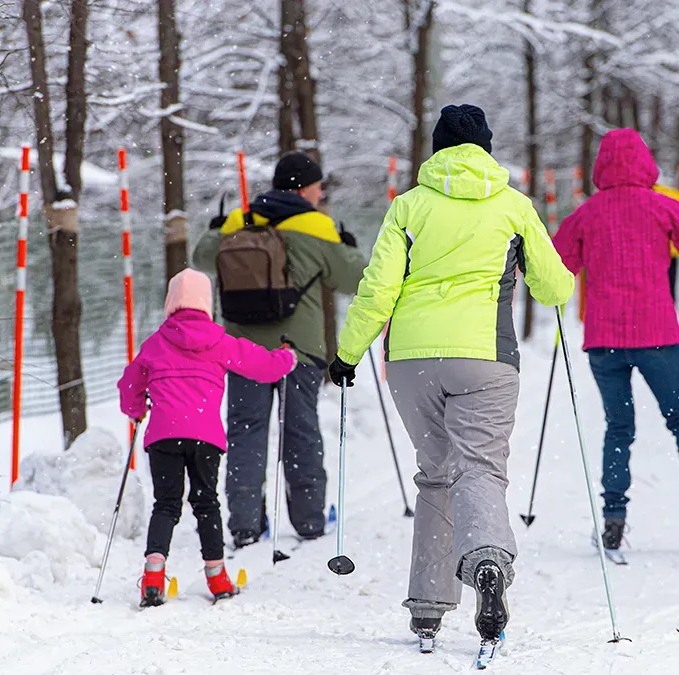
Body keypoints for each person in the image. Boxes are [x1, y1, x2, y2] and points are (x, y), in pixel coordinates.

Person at [328, 104, 575, 646]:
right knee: (481, 470)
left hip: (412, 360)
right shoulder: (515, 206)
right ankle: (487, 560)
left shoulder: (408, 207)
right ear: (486, 147)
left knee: (436, 471)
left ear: (437, 148)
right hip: (486, 357)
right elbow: (556, 288)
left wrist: (348, 354)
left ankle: (428, 606)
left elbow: (377, 289)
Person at [553, 128, 679, 557]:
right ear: (645, 162)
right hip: (656, 336)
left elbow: (556, 266)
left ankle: (613, 521)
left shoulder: (586, 214)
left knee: (619, 428)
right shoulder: (662, 206)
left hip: (604, 339)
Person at [192, 152, 366, 548]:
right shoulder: (317, 228)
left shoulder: (241, 221)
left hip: (241, 350)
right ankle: (309, 521)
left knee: (245, 434)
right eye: (319, 187)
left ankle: (245, 525)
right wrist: (348, 246)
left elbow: (201, 258)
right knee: (301, 433)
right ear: (304, 188)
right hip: (297, 352)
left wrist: (215, 228)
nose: (321, 194)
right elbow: (355, 277)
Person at [118, 269, 297, 606]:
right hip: (205, 438)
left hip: (163, 436)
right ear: (207, 302)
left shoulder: (156, 342)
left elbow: (130, 382)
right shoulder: (219, 341)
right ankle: (217, 579)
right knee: (206, 504)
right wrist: (286, 357)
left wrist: (136, 408)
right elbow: (263, 366)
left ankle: (153, 576)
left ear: (171, 302)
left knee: (166, 505)